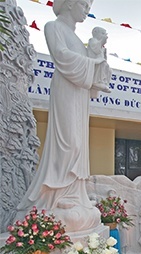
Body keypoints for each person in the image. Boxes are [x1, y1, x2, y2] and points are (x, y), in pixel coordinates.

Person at [17, 0, 104, 232]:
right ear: (69, 4)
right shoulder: (53, 27)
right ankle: (57, 194)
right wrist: (91, 61)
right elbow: (62, 56)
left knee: (80, 143)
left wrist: (96, 52)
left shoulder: (78, 39)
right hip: (66, 89)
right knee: (69, 142)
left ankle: (76, 195)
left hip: (80, 94)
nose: (87, 10)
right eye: (84, 4)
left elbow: (91, 71)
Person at [87, 26, 111, 93]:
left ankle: (104, 82)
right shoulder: (92, 40)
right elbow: (96, 50)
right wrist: (102, 41)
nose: (104, 36)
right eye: (102, 33)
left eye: (105, 34)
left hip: (101, 60)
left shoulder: (101, 45)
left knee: (109, 69)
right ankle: (97, 81)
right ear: (95, 33)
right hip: (95, 60)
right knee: (102, 64)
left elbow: (103, 56)